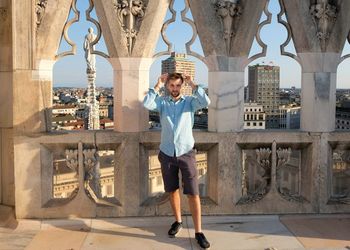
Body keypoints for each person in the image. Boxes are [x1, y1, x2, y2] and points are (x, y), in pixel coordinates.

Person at [143, 73, 211, 249]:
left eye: (177, 85)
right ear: (168, 86)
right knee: (172, 190)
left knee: (193, 193)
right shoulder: (162, 102)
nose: (174, 89)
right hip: (167, 153)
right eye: (171, 85)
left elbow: (206, 102)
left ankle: (199, 232)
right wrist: (157, 85)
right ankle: (178, 221)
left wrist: (192, 83)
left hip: (186, 152)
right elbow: (147, 103)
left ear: (182, 86)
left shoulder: (190, 102)